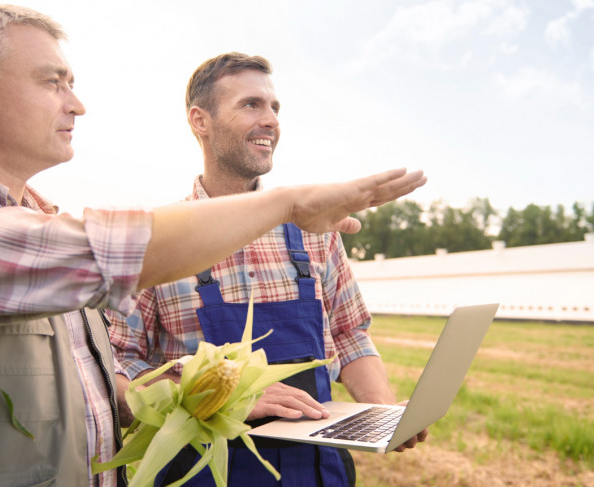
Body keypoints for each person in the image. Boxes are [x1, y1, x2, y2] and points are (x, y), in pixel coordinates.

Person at [0, 5, 426, 486]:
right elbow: (95, 255)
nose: (79, 104)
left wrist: (213, 393)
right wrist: (285, 204)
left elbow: (101, 389)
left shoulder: (29, 223)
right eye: (53, 82)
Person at [108, 52, 429, 487]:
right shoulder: (159, 241)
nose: (271, 120)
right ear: (200, 120)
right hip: (201, 472)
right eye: (250, 105)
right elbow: (119, 364)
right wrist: (217, 394)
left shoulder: (317, 230)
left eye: (274, 108)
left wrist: (382, 411)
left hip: (316, 471)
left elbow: (351, 333)